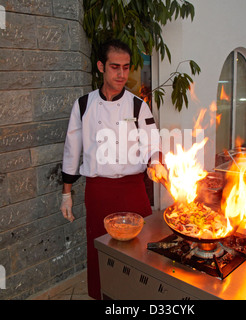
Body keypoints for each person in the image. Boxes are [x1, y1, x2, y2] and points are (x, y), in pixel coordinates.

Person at [60, 39, 167, 300]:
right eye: (115, 67)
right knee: (100, 251)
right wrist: (66, 193)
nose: (121, 74)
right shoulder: (84, 105)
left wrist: (156, 163)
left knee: (141, 253)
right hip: (99, 192)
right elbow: (72, 149)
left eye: (126, 67)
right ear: (101, 67)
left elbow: (153, 143)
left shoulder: (137, 105)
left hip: (133, 190)